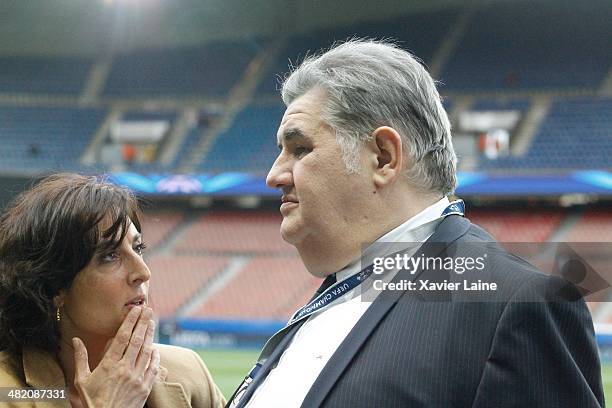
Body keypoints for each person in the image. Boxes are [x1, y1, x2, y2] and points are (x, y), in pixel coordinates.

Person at [227, 39, 604, 407]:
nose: (273, 175)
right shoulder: (342, 286)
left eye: (300, 149)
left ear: (383, 157)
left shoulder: (515, 304)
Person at [0, 173, 225, 407]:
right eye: (110, 256)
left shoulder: (189, 373)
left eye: (138, 248)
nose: (143, 272)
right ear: (55, 287)